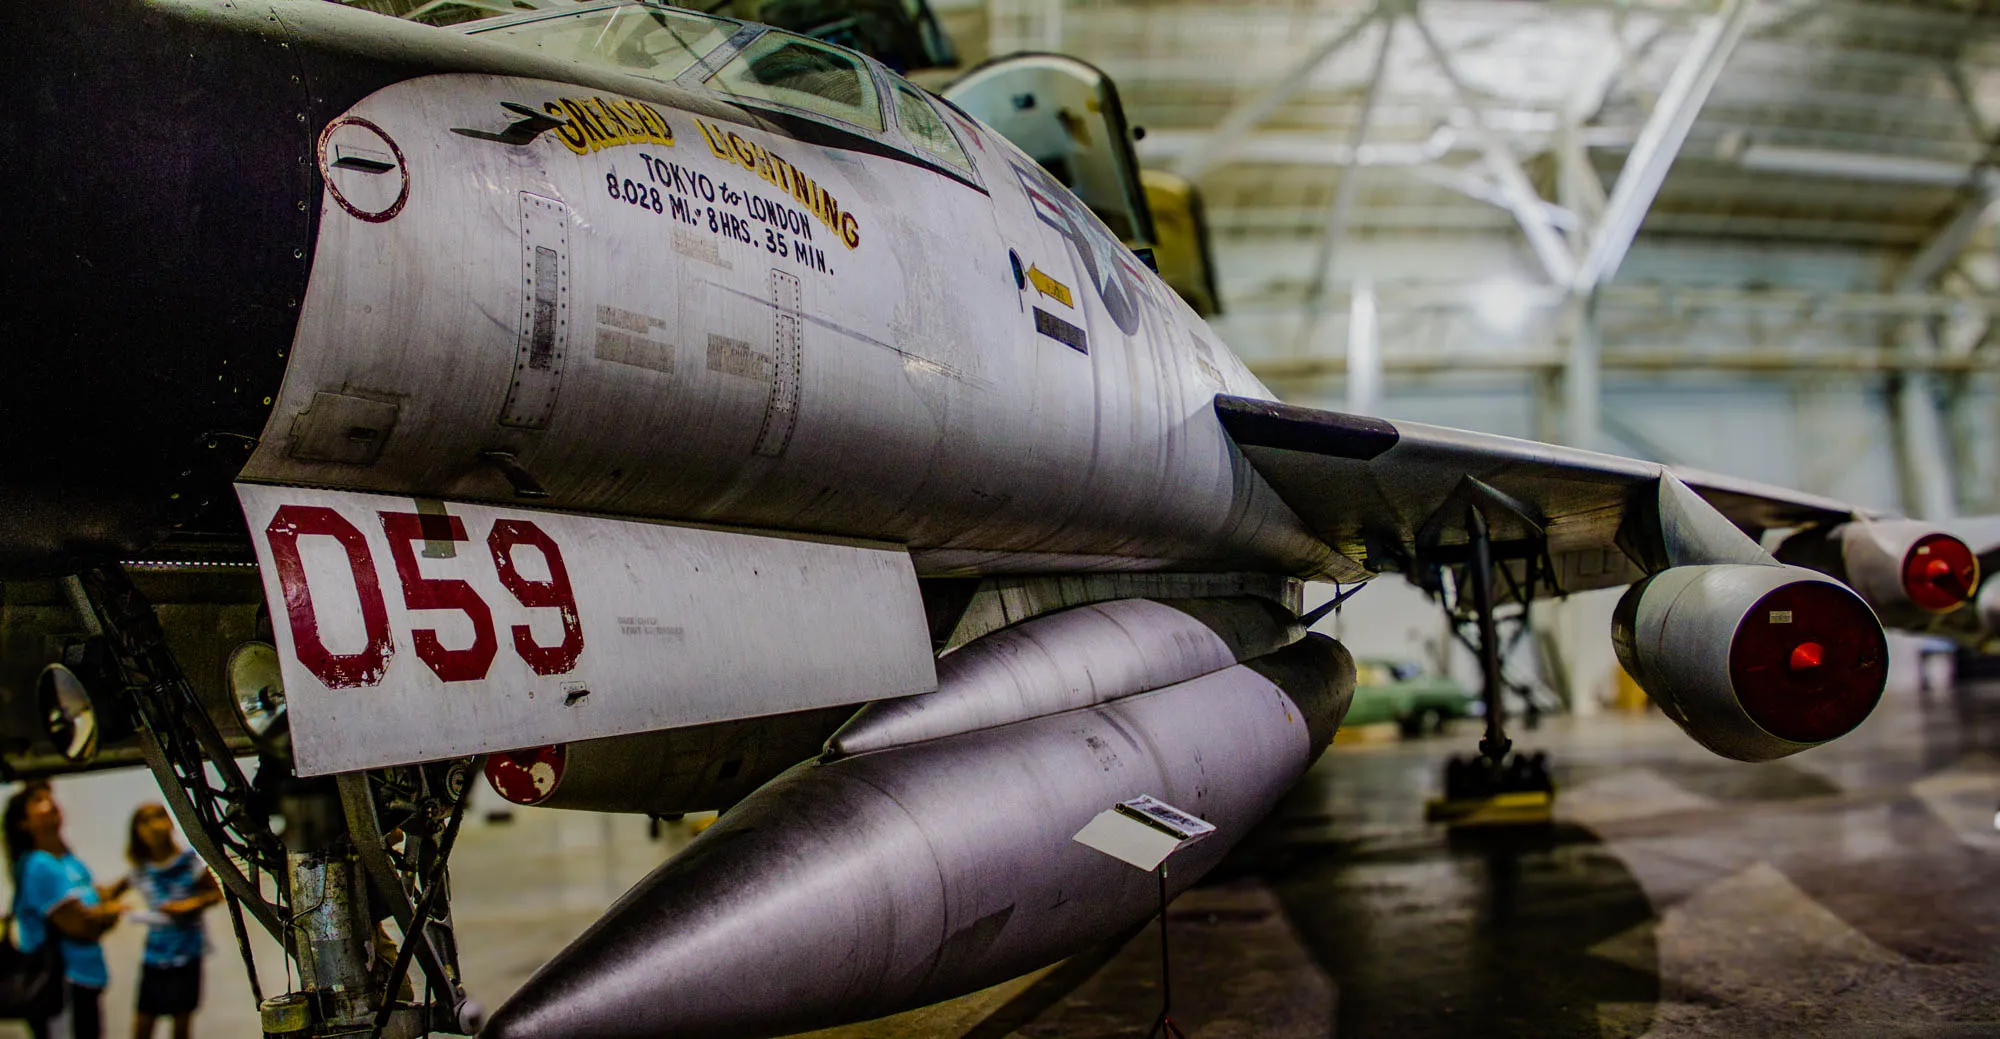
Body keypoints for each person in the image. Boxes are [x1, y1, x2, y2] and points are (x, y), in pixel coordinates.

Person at [4, 782, 122, 1039]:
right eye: (37, 801)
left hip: (84, 978)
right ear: (23, 823)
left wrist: (104, 909)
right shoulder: (39, 866)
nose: (50, 803)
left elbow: (92, 904)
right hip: (61, 985)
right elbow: (80, 926)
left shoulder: (68, 860)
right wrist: (110, 913)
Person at [124, 804, 219, 1039]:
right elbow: (110, 892)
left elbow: (218, 893)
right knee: (143, 1022)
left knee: (181, 1024)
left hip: (186, 952)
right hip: (155, 955)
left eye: (158, 817)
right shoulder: (140, 869)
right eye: (145, 822)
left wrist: (187, 906)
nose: (153, 827)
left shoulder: (189, 862)